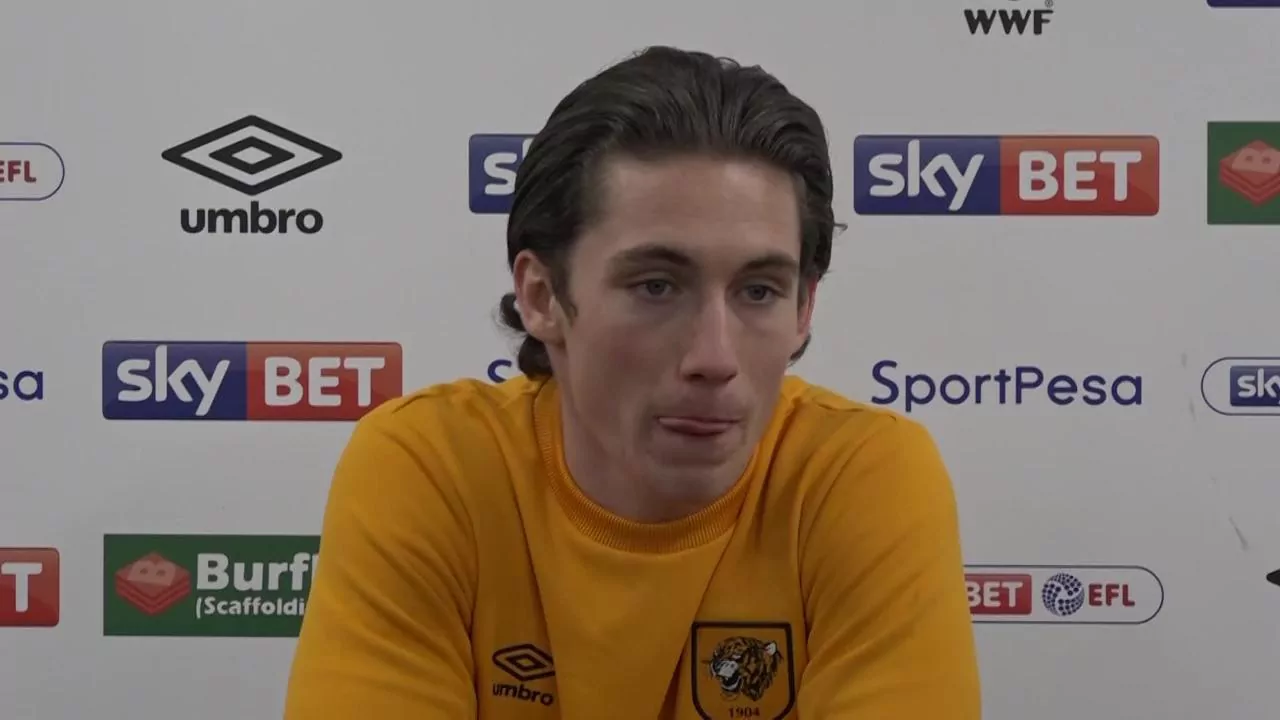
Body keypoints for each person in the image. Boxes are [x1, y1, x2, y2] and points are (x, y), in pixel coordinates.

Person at [282, 45, 981, 719]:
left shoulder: (860, 476)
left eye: (759, 291)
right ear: (541, 296)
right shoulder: (432, 466)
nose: (715, 357)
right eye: (656, 286)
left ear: (804, 309)